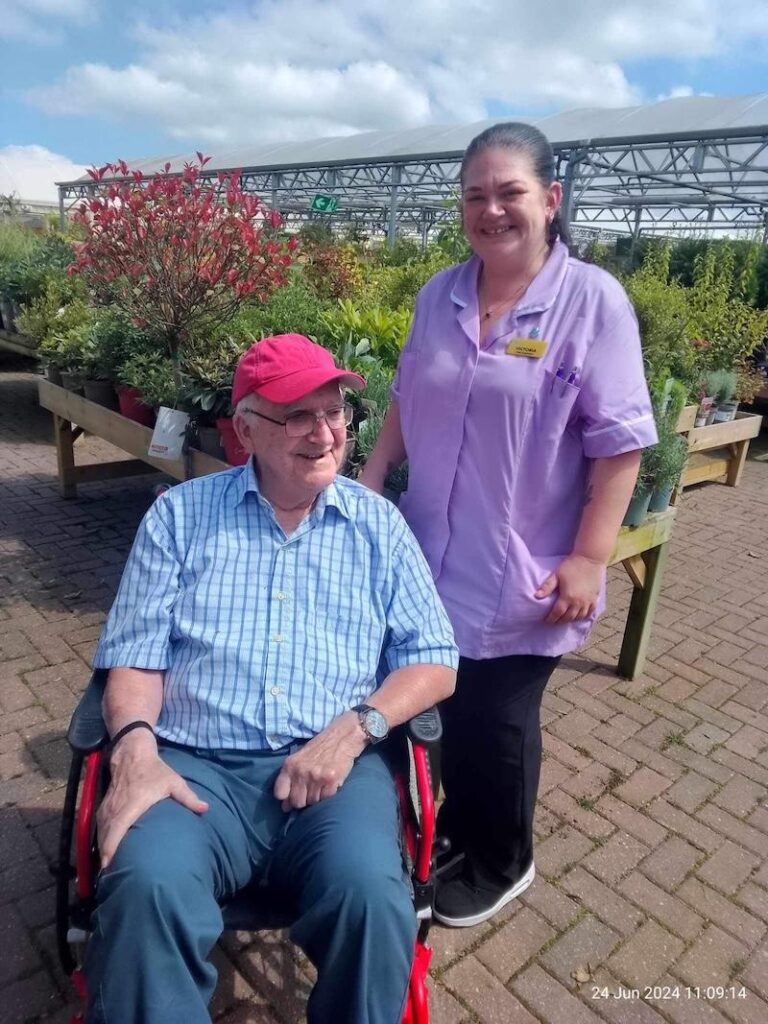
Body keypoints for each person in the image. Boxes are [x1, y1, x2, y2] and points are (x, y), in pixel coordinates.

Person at [84, 333, 458, 1024]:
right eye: (297, 416)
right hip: (195, 772)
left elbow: (435, 658)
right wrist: (134, 751)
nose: (325, 433)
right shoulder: (179, 518)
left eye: (335, 412)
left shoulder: (379, 527)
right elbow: (135, 655)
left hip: (334, 771)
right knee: (145, 887)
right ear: (245, 430)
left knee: (372, 898)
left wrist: (356, 730)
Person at [359, 123, 657, 928]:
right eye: (475, 196)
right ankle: (457, 831)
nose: (491, 210)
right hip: (431, 552)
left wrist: (591, 557)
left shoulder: (591, 302)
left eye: (509, 192)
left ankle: (504, 861)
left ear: (550, 200)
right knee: (448, 707)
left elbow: (621, 443)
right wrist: (373, 475)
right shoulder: (440, 294)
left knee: (498, 722)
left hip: (525, 564)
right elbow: (405, 394)